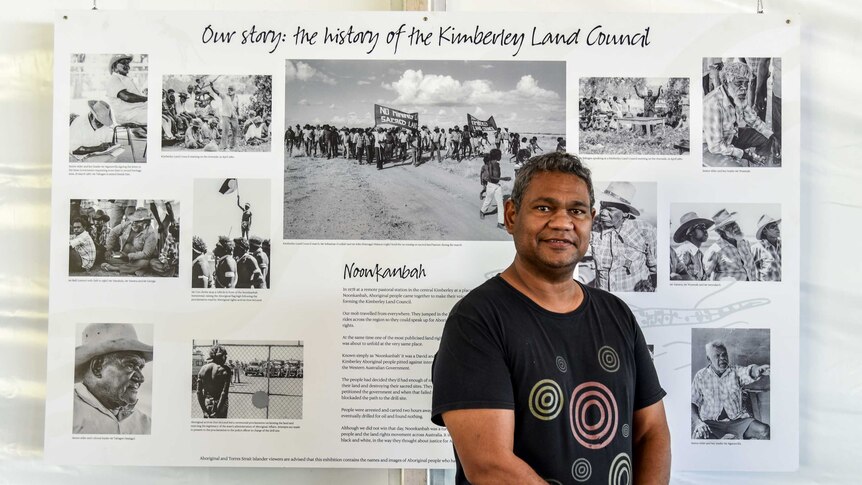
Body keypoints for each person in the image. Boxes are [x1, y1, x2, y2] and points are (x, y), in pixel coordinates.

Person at [432, 152, 670, 485]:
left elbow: (652, 432)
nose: (562, 222)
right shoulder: (476, 320)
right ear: (512, 215)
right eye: (544, 207)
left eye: (576, 210)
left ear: (590, 220)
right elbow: (490, 466)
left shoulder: (617, 314)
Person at [73, 323, 152, 434]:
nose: (141, 378)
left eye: (140, 367)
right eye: (129, 365)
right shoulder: (68, 415)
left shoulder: (145, 424)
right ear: (97, 367)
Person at [703, 61, 780, 167]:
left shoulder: (737, 96)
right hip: (708, 147)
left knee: (766, 138)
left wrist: (771, 136)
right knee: (736, 168)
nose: (744, 89)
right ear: (725, 83)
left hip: (730, 137)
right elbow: (715, 147)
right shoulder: (713, 104)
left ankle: (761, 167)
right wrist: (744, 154)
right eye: (738, 83)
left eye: (746, 83)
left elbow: (752, 119)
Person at [691, 341, 770, 439]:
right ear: (709, 359)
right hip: (711, 424)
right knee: (699, 438)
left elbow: (748, 371)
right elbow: (692, 402)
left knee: (764, 431)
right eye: (717, 356)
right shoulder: (701, 376)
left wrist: (758, 370)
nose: (722, 358)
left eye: (724, 355)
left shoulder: (735, 372)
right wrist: (698, 423)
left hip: (738, 421)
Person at [589, 182, 657, 292]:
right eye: (602, 206)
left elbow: (655, 268)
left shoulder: (644, 230)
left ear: (625, 213)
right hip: (604, 299)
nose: (603, 213)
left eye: (610, 210)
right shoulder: (593, 225)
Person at [101, 207, 159, 276]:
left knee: (143, 263)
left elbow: (146, 254)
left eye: (137, 221)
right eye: (133, 220)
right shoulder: (128, 224)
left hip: (139, 259)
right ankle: (133, 269)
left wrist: (129, 256)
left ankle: (116, 268)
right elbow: (113, 232)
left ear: (145, 223)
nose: (133, 223)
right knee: (108, 258)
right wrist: (109, 248)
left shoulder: (151, 234)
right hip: (124, 256)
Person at [704, 208, 756, 281]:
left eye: (734, 222)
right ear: (722, 229)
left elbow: (752, 268)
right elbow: (705, 276)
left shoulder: (745, 244)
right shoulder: (715, 250)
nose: (736, 226)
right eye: (730, 224)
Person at [105, 54, 147, 127]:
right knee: (156, 115)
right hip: (127, 114)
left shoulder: (125, 79)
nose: (127, 66)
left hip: (135, 111)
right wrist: (147, 99)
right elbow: (126, 97)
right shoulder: (114, 79)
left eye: (127, 63)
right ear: (114, 66)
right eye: (123, 63)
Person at [670, 212, 714, 281]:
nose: (705, 230)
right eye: (700, 227)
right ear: (690, 232)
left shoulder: (699, 254)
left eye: (705, 227)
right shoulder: (684, 252)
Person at [196, 344, 232, 419]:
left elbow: (199, 392)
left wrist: (204, 410)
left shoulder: (203, 369)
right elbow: (224, 393)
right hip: (221, 404)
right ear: (221, 356)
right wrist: (217, 411)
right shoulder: (225, 370)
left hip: (207, 402)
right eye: (225, 355)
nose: (226, 358)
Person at [479, 149, 506, 229]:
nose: (501, 157)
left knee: (500, 204)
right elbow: (490, 176)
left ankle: (500, 223)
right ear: (496, 156)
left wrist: (500, 179)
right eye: (500, 155)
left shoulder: (497, 164)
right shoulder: (490, 164)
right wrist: (503, 178)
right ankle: (482, 211)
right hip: (491, 185)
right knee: (488, 200)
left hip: (497, 185)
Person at [208, 83, 240, 150]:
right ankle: (223, 146)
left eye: (231, 90)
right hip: (226, 115)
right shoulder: (224, 95)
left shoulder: (236, 97)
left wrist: (238, 114)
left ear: (234, 91)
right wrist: (212, 87)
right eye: (228, 90)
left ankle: (232, 145)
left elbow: (237, 107)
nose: (229, 91)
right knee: (225, 131)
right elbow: (217, 92)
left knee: (235, 130)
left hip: (234, 116)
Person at [752, 214, 781, 282]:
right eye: (773, 226)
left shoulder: (784, 245)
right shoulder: (757, 248)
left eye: (776, 225)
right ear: (765, 231)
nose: (777, 228)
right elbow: (749, 270)